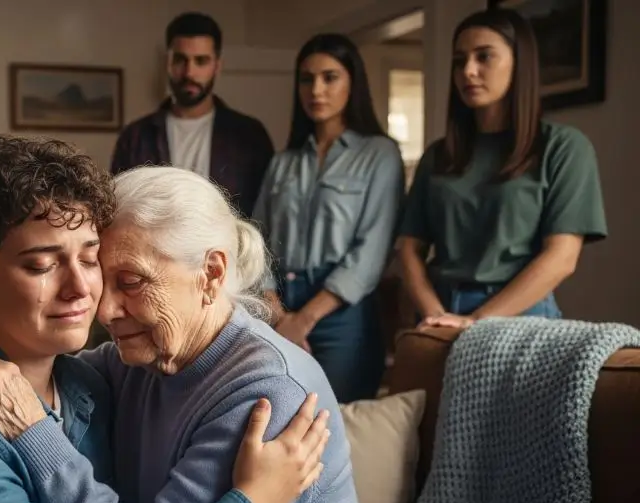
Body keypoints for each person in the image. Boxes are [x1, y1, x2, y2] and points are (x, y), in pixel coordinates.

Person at [0, 136, 330, 503]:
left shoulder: (90, 382)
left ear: (210, 274)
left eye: (90, 260)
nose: (89, 296)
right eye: (42, 265)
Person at [396, 8, 607, 328]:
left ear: (519, 64)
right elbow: (409, 250)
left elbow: (562, 258)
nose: (468, 70)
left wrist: (476, 320)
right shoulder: (439, 155)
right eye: (459, 60)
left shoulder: (563, 147)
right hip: (439, 311)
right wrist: (435, 315)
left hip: (522, 316)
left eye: (484, 57)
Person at [253, 33, 404, 403]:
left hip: (342, 313)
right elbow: (254, 238)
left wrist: (304, 319)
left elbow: (372, 250)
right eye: (307, 79)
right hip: (279, 303)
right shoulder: (284, 161)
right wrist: (276, 311)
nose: (316, 89)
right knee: (280, 414)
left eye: (330, 77)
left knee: (338, 420)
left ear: (353, 82)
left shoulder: (380, 154)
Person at [110, 12, 274, 218]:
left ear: (217, 66)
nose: (189, 73)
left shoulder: (249, 137)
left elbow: (265, 216)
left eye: (201, 61)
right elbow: (117, 209)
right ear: (168, 63)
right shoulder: (136, 138)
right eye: (181, 60)